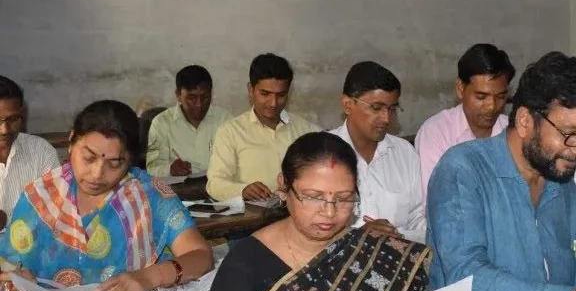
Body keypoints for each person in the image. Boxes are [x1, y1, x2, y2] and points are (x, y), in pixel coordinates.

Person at [0, 100, 213, 291]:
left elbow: (200, 255)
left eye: (115, 163)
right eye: (88, 157)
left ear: (131, 160)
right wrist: (16, 283)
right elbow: (7, 268)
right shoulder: (42, 196)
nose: (97, 174)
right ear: (71, 141)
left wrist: (149, 276)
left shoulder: (149, 195)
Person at [195, 132, 429, 291]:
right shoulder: (247, 261)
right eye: (313, 197)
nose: (329, 212)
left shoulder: (372, 253)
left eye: (343, 199)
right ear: (283, 187)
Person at [427, 52, 576, 291]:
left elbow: (570, 265)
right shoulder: (462, 169)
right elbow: (467, 277)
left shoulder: (560, 181)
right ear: (525, 121)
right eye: (570, 135)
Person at [329, 61, 426, 243]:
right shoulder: (322, 153)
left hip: (401, 255)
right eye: (376, 108)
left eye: (392, 109)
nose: (386, 118)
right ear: (347, 105)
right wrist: (357, 237)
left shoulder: (404, 152)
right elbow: (310, 226)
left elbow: (418, 219)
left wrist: (396, 236)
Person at [207, 53, 320, 201]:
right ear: (250, 89)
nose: (273, 103)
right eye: (265, 94)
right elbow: (215, 184)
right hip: (252, 215)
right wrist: (242, 190)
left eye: (281, 95)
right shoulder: (230, 132)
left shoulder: (308, 131)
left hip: (300, 212)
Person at [415, 44, 515, 197]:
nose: (492, 106)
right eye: (481, 97)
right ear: (460, 88)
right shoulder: (436, 132)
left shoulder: (513, 131)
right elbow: (437, 198)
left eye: (501, 97)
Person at [146, 65, 232, 177]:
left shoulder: (225, 119)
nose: (199, 104)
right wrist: (170, 169)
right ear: (178, 95)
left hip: (217, 185)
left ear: (211, 93)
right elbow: (152, 168)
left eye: (205, 97)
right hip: (179, 187)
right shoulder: (161, 123)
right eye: (191, 98)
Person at [0, 76, 59, 232]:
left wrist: (7, 219)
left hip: (33, 245)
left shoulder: (41, 151)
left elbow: (57, 212)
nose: (5, 130)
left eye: (13, 119)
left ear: (22, 114)